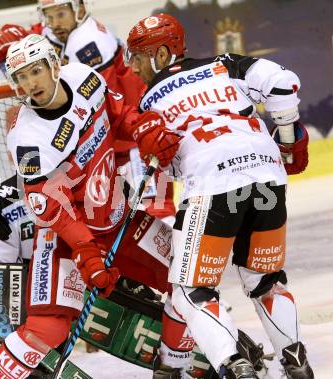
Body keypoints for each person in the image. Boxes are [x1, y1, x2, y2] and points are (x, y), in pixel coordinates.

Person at [0, 33, 199, 379]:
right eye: (21, 77)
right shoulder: (28, 139)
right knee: (49, 327)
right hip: (66, 240)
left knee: (189, 277)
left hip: (120, 219)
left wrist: (142, 130)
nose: (31, 84)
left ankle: (173, 368)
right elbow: (50, 207)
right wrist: (86, 251)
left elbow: (119, 113)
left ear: (54, 66)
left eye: (35, 71)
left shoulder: (85, 79)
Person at [124, 12, 313, 379]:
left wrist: (158, 155)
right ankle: (296, 363)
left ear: (162, 54)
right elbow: (282, 84)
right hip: (267, 177)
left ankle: (235, 367)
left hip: (212, 185)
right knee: (266, 282)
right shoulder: (225, 64)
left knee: (191, 291)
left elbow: (164, 166)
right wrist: (287, 140)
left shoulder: (149, 103)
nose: (132, 67)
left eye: (138, 56)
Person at [0, 0, 176, 220]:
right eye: (49, 16)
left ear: (80, 9)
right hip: (114, 144)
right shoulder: (63, 29)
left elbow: (93, 106)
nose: (54, 23)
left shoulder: (88, 43)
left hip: (133, 138)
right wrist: (16, 37)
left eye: (60, 14)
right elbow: (40, 39)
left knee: (157, 212)